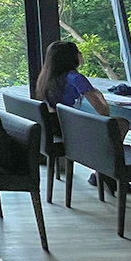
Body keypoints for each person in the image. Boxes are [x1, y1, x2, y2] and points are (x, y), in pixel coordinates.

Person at [36, 40, 121, 192]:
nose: (81, 55)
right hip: (68, 129)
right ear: (72, 57)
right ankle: (107, 171)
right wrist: (99, 94)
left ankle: (102, 172)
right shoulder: (76, 78)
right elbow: (103, 112)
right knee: (120, 124)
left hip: (54, 126)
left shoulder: (46, 77)